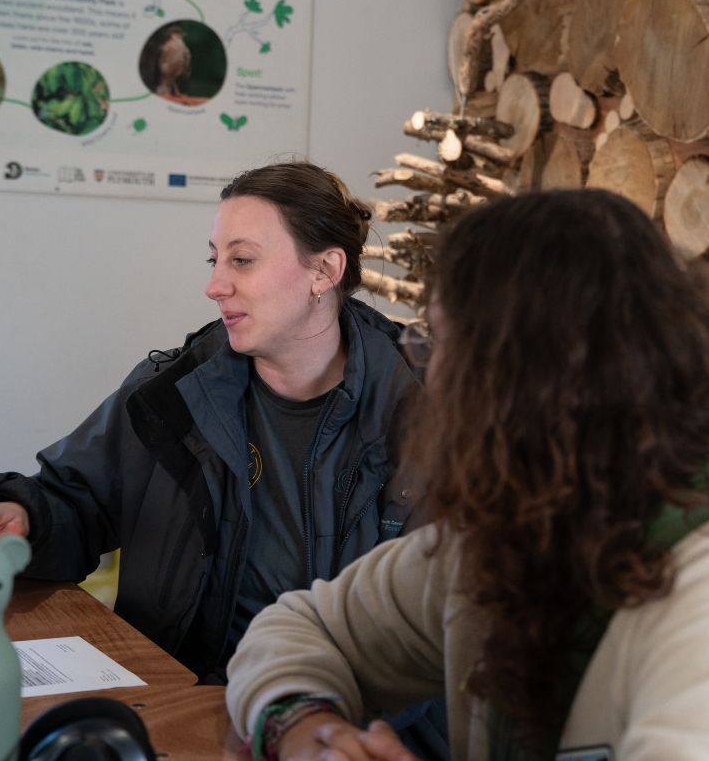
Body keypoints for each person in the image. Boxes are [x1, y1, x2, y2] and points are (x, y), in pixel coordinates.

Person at [0, 161, 426, 687]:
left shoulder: (434, 408)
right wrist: (23, 517)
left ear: (325, 271)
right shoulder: (174, 391)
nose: (215, 285)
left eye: (242, 260)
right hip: (192, 705)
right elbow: (78, 499)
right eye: (215, 259)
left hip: (363, 725)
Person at [226, 189, 709, 761]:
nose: (432, 375)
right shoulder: (506, 539)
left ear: (521, 375)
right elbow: (300, 627)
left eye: (443, 342)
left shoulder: (694, 592)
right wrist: (309, 734)